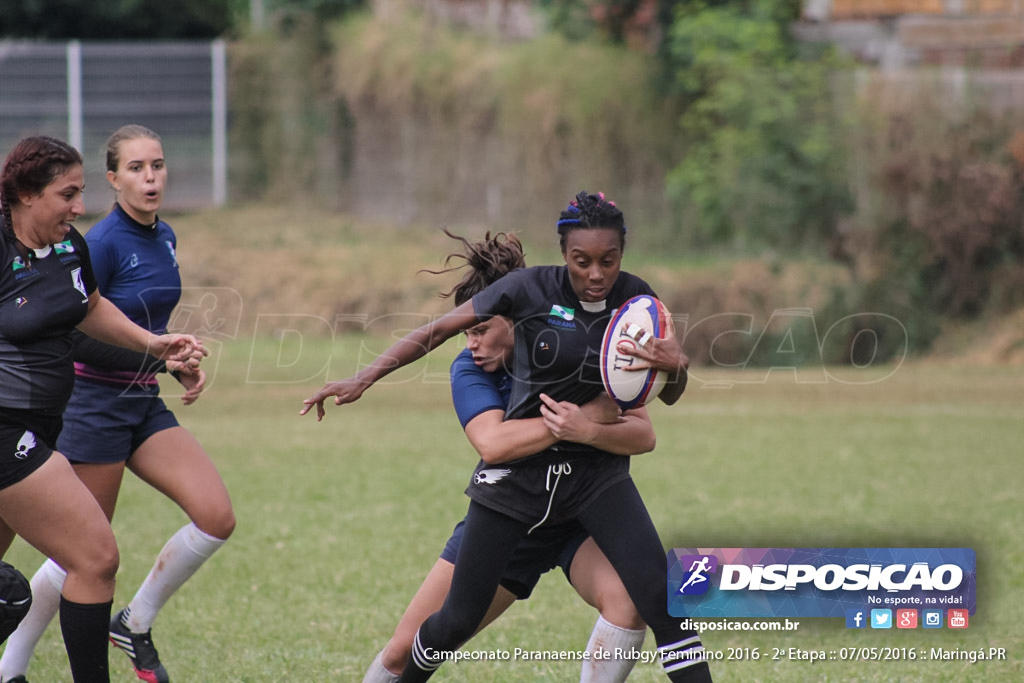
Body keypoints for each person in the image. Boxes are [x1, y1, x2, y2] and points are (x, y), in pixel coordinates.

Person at [303, 191, 711, 682]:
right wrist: (362, 378)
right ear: (563, 254)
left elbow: (661, 395)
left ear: (622, 252)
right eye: (582, 261)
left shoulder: (636, 300)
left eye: (609, 260)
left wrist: (677, 366)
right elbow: (436, 332)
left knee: (662, 602)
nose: (597, 274)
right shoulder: (526, 290)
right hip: (517, 486)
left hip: (592, 481)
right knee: (454, 621)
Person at [0, 126, 235, 683]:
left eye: (81, 193)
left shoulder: (70, 245)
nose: (80, 207)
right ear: (28, 192)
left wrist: (155, 345)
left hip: (48, 422)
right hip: (16, 429)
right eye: (67, 195)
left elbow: (90, 305)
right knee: (94, 556)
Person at [363, 231, 652, 683]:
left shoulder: (578, 349)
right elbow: (493, 444)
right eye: (466, 332)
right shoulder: (469, 368)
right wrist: (581, 418)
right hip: (507, 517)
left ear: (515, 317)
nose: (471, 343)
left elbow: (642, 432)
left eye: (480, 330)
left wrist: (589, 428)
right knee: (405, 651)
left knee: (629, 606)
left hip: (579, 517)